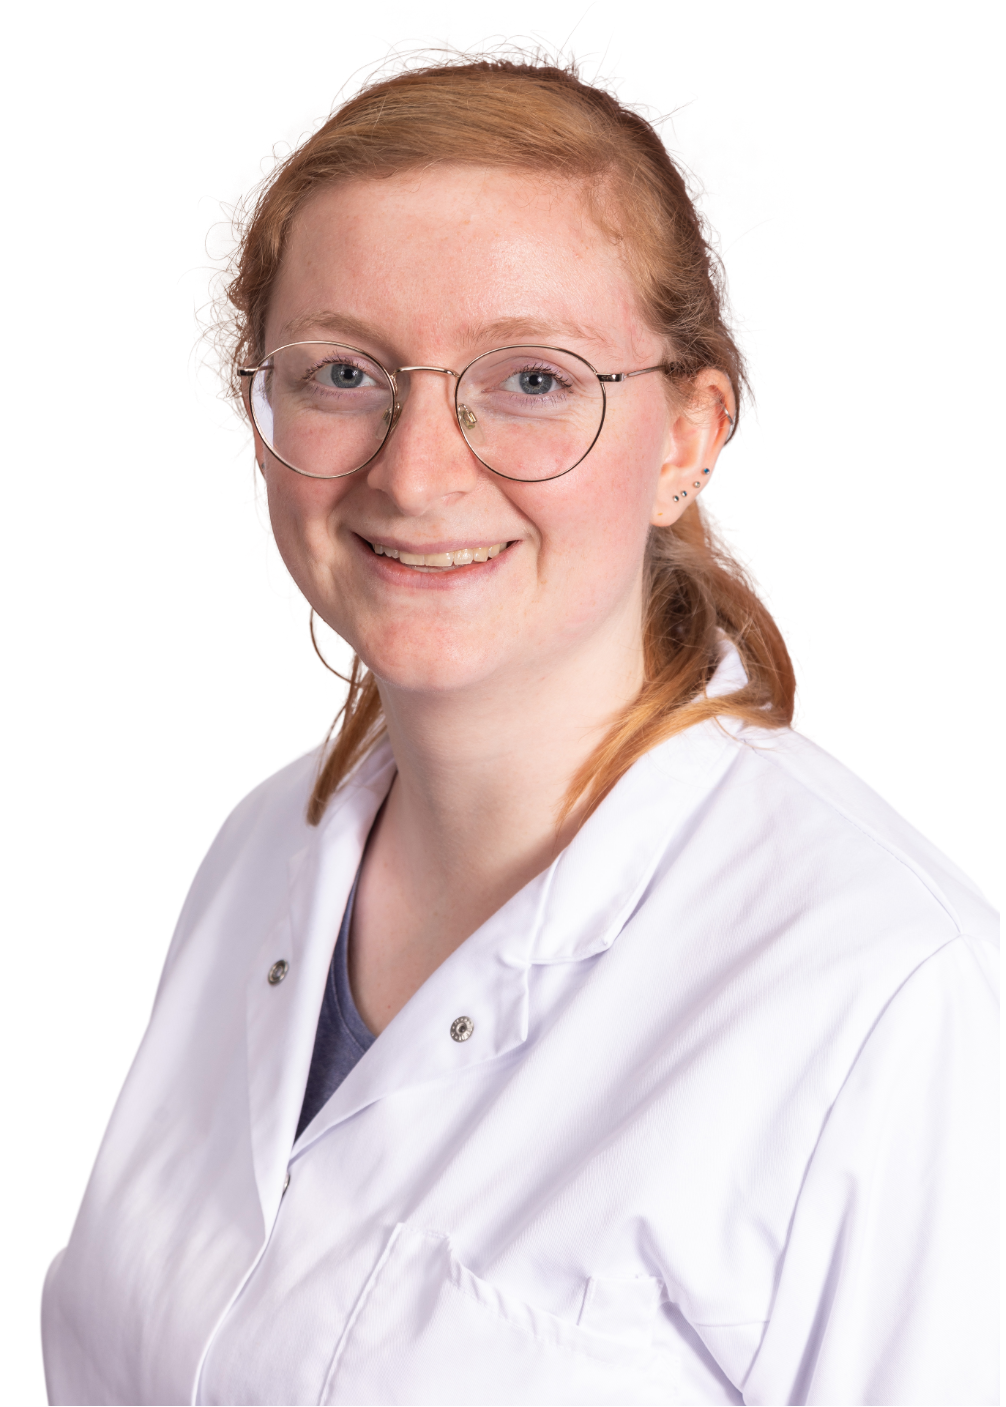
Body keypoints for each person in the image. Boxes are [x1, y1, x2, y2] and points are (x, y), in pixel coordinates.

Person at [39, 32, 998, 1407]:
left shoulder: (890, 989)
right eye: (343, 373)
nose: (417, 475)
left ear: (686, 438)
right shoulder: (262, 844)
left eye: (533, 379)